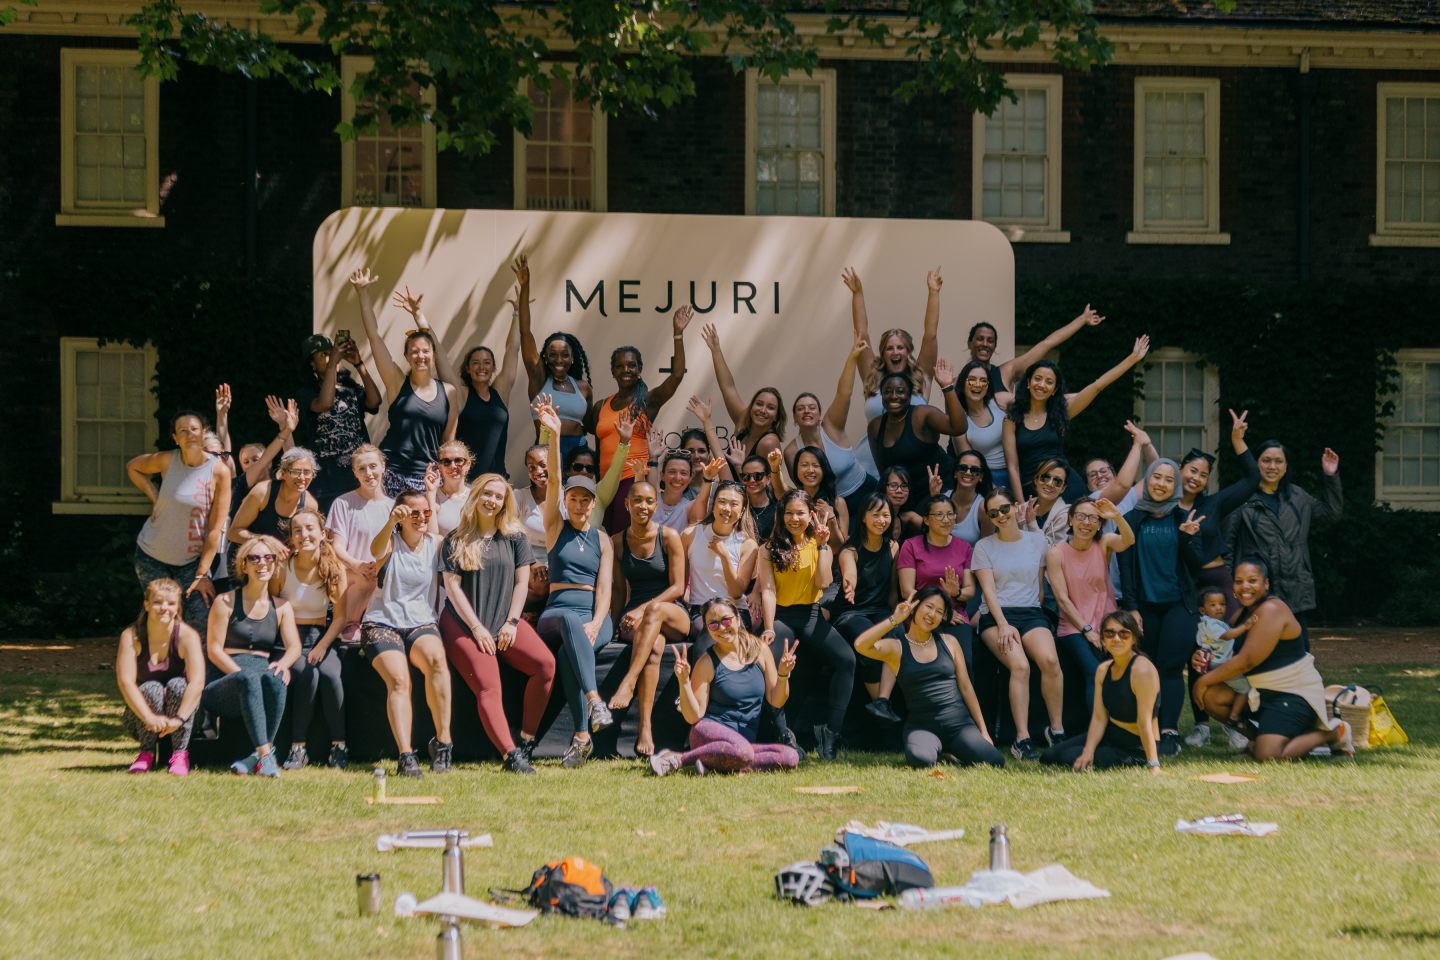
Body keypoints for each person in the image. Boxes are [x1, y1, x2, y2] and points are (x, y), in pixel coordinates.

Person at [439, 474, 556, 775]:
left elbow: (522, 583)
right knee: (490, 687)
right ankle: (510, 755)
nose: (492, 500)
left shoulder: (515, 537)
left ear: (505, 503)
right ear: (475, 496)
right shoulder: (456, 538)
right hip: (463, 624)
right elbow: (452, 587)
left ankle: (526, 740)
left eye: (498, 496)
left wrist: (512, 622)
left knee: (545, 665)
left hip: (505, 620)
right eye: (487, 494)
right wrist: (476, 628)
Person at [1192, 559, 1354, 761]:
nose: (1245, 586)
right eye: (1239, 581)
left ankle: (1333, 733)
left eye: (1252, 580)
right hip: (1259, 692)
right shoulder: (1240, 615)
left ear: (1266, 584)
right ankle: (1255, 743)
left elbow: (1247, 661)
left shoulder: (1272, 609)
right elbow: (1225, 652)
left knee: (1269, 755)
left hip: (1292, 693)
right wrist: (1202, 657)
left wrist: (1203, 680)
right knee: (1211, 697)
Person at [534, 398, 616, 768]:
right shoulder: (556, 527)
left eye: (586, 499)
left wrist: (598, 622)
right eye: (574, 499)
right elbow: (553, 479)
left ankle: (582, 738)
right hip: (557, 612)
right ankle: (596, 701)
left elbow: (605, 588)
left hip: (594, 614)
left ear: (594, 503)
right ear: (565, 501)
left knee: (572, 652)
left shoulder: (602, 538)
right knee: (569, 624)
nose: (580, 505)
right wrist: (552, 435)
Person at [1177, 409, 1260, 748]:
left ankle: (1231, 721)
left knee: (1226, 649)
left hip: (1218, 583)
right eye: (1192, 470)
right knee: (1195, 654)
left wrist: (1238, 441)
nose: (1196, 478)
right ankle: (1201, 725)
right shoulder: (1162, 506)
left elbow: (1252, 480)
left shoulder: (1213, 504)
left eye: (1203, 474)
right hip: (1186, 586)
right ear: (1180, 470)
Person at [1116, 459, 1208, 756]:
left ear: (1175, 485)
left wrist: (1187, 539)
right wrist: (1131, 607)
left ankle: (1169, 731)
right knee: (1148, 667)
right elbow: (1125, 568)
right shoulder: (1131, 519)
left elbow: (1196, 567)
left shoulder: (1184, 517)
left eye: (1169, 480)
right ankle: (1148, 728)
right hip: (1144, 606)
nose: (1161, 484)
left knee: (1170, 668)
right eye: (1156, 477)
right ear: (1147, 480)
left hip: (1178, 605)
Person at [853, 588, 1004, 768]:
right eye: (929, 607)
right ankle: (940, 752)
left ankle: (952, 749)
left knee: (994, 761)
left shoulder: (949, 642)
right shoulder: (897, 648)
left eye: (939, 611)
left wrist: (983, 731)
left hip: (959, 725)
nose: (932, 614)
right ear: (915, 607)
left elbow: (966, 688)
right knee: (921, 760)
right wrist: (895, 619)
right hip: (923, 727)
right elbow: (861, 645)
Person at [649, 600, 800, 776]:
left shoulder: (761, 651)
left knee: (790, 757)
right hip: (707, 732)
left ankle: (718, 764)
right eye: (713, 624)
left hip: (743, 743)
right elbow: (693, 716)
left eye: (726, 620)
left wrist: (783, 675)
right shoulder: (706, 662)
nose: (721, 627)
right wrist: (684, 681)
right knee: (743, 752)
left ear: (737, 619)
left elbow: (776, 700)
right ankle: (677, 759)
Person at [756, 489, 854, 761]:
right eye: (788, 513)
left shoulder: (820, 544)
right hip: (781, 616)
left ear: (811, 515)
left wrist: (822, 546)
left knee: (847, 660)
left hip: (811, 614)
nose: (794, 518)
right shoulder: (768, 548)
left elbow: (824, 582)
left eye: (800, 513)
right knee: (773, 671)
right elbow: (768, 590)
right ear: (781, 515)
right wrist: (768, 627)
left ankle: (831, 733)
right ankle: (784, 735)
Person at [362, 489, 453, 777]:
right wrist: (390, 522)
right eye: (414, 513)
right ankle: (406, 755)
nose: (421, 518)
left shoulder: (436, 544)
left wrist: (432, 495)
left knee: (436, 660)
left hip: (420, 621)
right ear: (400, 516)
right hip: (382, 622)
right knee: (400, 680)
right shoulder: (390, 542)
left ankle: (443, 743)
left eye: (426, 512)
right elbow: (375, 550)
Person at [349, 269, 459, 495]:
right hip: (392, 473)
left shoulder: (449, 392)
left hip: (427, 479)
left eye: (425, 351)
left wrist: (445, 481)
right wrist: (363, 294)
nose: (420, 356)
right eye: (414, 351)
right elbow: (374, 337)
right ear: (407, 356)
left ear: (433, 354)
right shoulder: (397, 382)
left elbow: (448, 444)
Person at [1002, 335, 1150, 501]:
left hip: (1067, 487)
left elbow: (1097, 386)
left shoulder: (1060, 413)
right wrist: (1021, 504)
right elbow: (1013, 467)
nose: (1042, 385)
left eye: (1049, 382)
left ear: (1054, 389)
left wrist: (1132, 359)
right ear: (1028, 383)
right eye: (1038, 379)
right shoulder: (1012, 419)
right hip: (1031, 491)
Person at [971, 489, 1062, 760]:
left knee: (1050, 661)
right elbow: (988, 591)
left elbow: (1040, 586)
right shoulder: (984, 547)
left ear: (1015, 507)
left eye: (1004, 509)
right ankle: (1021, 738)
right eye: (993, 513)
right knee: (1020, 666)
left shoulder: (1038, 542)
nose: (1000, 516)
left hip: (1031, 612)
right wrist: (1002, 624)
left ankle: (1056, 729)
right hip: (996, 615)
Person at [587, 304, 693, 533]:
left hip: (632, 480)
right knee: (606, 538)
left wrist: (678, 334)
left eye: (631, 365)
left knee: (625, 538)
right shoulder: (600, 406)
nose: (626, 370)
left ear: (639, 369)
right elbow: (599, 449)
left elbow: (676, 376)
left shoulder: (647, 401)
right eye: (620, 366)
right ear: (613, 371)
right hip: (605, 485)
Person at [605, 481, 692, 756]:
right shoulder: (617, 542)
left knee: (654, 611)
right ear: (626, 504)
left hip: (671, 611)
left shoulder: (669, 536)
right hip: (636, 616)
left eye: (649, 501)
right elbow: (619, 591)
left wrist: (643, 609)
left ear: (656, 505)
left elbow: (678, 587)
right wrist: (615, 625)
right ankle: (645, 727)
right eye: (638, 500)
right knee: (654, 647)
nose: (643, 506)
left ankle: (629, 681)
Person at [128, 410, 235, 632]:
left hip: (191, 563)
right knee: (160, 619)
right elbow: (133, 467)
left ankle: (193, 658)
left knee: (200, 622)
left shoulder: (219, 472)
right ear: (175, 438)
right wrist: (155, 497)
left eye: (194, 429)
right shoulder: (167, 460)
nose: (189, 434)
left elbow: (215, 529)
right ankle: (151, 654)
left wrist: (202, 574)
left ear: (204, 433)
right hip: (152, 556)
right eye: (182, 431)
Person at [203, 536, 301, 777]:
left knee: (277, 677)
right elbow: (214, 650)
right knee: (249, 678)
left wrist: (284, 664)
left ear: (275, 564)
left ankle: (257, 757)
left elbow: (294, 647)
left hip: (260, 678)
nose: (262, 563)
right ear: (243, 565)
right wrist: (242, 677)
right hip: (224, 682)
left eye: (268, 558)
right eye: (254, 558)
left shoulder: (282, 606)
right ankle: (266, 757)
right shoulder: (224, 601)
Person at [1225, 441, 1341, 622]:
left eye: (1279, 461)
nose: (1272, 466)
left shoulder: (1298, 496)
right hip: (1255, 592)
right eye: (1266, 460)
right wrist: (1228, 589)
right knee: (1257, 639)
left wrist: (1330, 476)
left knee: (1297, 640)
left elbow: (1331, 514)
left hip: (1295, 590)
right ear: (1255, 464)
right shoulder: (1242, 499)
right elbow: (1227, 547)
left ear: (1286, 467)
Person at [1040, 610, 1162, 773]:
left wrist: (1153, 764)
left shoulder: (1142, 670)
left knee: (1068, 757)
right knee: (1049, 755)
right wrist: (1088, 750)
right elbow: (1099, 717)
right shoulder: (1103, 670)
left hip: (1135, 746)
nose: (1116, 639)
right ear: (1103, 639)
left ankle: (1137, 760)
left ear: (1134, 638)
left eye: (1124, 634)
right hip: (1110, 734)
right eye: (1110, 633)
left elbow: (1144, 721)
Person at [1045, 497, 1134, 711]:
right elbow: (1062, 599)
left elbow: (1128, 540)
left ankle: (1121, 724)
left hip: (1107, 622)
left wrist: (1116, 516)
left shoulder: (1103, 544)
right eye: (1081, 516)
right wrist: (1087, 630)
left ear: (1100, 524)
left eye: (1093, 518)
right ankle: (1096, 727)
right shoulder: (1056, 553)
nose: (1086, 523)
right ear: (1070, 520)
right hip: (1074, 626)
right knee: (1095, 672)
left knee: (1123, 671)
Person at [277, 510, 348, 770]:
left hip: (321, 636)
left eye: (309, 528)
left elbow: (340, 617)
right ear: (291, 537)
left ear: (322, 533)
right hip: (288, 638)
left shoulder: (335, 568)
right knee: (309, 676)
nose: (304, 535)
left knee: (331, 676)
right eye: (297, 530)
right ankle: (298, 748)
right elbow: (273, 608)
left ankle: (339, 746)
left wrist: (321, 647)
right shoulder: (282, 567)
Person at [443, 256, 526, 479]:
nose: (482, 367)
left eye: (487, 362)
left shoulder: (500, 392)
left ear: (493, 368)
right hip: (467, 481)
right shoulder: (462, 394)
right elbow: (442, 364)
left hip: (497, 478)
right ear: (468, 369)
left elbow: (512, 349)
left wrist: (517, 313)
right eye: (476, 363)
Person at [116, 578, 205, 776]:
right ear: (147, 604)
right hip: (141, 719)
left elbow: (197, 682)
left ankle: (180, 754)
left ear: (178, 607)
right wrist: (148, 717)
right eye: (157, 602)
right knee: (150, 688)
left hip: (185, 718)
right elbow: (126, 682)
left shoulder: (187, 636)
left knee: (178, 684)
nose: (164, 608)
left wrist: (179, 719)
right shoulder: (131, 636)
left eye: (171, 603)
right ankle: (146, 753)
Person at [785, 339, 876, 516]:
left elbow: (844, 393)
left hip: (866, 492)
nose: (806, 411)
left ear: (820, 414)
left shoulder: (832, 426)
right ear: (795, 419)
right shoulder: (791, 452)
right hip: (832, 506)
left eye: (812, 408)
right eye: (800, 409)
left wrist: (853, 358)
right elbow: (803, 488)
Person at [295, 331, 381, 510]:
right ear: (312, 363)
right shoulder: (306, 393)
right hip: (328, 482)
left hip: (359, 476)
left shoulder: (349, 386)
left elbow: (374, 402)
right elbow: (325, 403)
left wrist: (359, 363)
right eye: (324, 354)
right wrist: (333, 363)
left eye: (332, 352)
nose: (331, 356)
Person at [833, 494, 900, 719]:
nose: (882, 520)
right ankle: (880, 707)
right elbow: (849, 572)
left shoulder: (893, 546)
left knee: (897, 634)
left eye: (886, 515)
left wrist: (897, 613)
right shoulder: (850, 550)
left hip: (880, 610)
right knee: (869, 642)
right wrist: (849, 584)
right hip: (851, 612)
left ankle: (883, 701)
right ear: (863, 517)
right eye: (876, 515)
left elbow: (892, 588)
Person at [843, 267, 941, 420]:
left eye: (900, 347)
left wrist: (933, 293)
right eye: (889, 348)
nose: (895, 352)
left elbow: (930, 336)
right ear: (883, 353)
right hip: (874, 437)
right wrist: (857, 293)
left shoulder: (921, 377)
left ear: (908, 352)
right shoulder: (872, 375)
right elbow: (862, 334)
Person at [867, 363, 966, 511]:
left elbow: (958, 427)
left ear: (909, 395)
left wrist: (947, 387)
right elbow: (885, 473)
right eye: (888, 391)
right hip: (907, 498)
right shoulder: (875, 427)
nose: (894, 396)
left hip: (942, 487)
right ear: (882, 395)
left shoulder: (922, 415)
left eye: (900, 391)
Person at [519, 263, 592, 457]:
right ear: (546, 357)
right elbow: (525, 332)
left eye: (565, 354)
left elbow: (592, 425)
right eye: (553, 354)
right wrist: (525, 287)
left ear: (572, 358)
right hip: (547, 449)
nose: (559, 359)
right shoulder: (539, 380)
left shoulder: (583, 388)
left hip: (579, 451)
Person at [325, 444, 395, 642]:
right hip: (352, 575)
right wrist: (357, 565)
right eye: (362, 468)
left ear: (383, 466)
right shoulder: (343, 503)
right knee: (365, 578)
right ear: (355, 472)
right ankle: (351, 623)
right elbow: (337, 547)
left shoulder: (393, 507)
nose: (368, 473)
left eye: (373, 466)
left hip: (381, 575)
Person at [897, 496, 976, 660]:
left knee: (963, 663)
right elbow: (906, 591)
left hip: (955, 616)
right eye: (939, 515)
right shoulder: (911, 545)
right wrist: (940, 611)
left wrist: (956, 593)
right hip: (921, 613)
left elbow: (970, 590)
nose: (946, 520)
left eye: (950, 514)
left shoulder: (965, 547)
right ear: (926, 520)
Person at [683, 480, 760, 642]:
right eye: (722, 502)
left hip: (735, 610)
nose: (726, 508)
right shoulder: (691, 534)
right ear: (713, 505)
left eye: (734, 504)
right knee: (712, 636)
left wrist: (724, 556)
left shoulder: (748, 544)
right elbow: (680, 580)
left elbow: (736, 592)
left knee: (728, 637)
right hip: (701, 610)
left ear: (742, 510)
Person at [966, 304, 1106, 393]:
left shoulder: (1006, 372)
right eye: (980, 339)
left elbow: (1047, 344)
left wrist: (1082, 319)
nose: (985, 344)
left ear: (995, 346)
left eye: (990, 341)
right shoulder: (957, 382)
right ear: (969, 343)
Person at [701, 321, 786, 462]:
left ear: (777, 416)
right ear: (751, 407)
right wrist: (715, 349)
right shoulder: (743, 423)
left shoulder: (769, 443)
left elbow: (771, 478)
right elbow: (728, 387)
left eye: (770, 407)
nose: (763, 410)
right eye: (759, 404)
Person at [1187, 586, 1256, 744]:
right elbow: (1227, 635)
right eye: (1213, 605)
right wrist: (1246, 626)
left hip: (1217, 662)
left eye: (1222, 604)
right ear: (1203, 610)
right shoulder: (1211, 625)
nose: (1219, 608)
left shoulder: (1213, 623)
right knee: (1244, 688)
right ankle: (1234, 717)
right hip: (1220, 664)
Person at [229, 447, 321, 555]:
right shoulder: (262, 492)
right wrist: (264, 540)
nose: (302, 477)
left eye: (307, 472)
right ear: (283, 473)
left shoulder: (310, 505)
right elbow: (233, 533)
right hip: (247, 557)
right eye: (295, 472)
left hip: (280, 561)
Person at [770, 446, 849, 548]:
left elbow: (839, 548)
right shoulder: (793, 498)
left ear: (824, 469)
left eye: (816, 465)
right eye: (804, 465)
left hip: (826, 556)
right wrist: (775, 468)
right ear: (796, 469)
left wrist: (831, 519)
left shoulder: (838, 503)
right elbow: (779, 488)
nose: (810, 470)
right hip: (794, 555)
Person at [952, 360, 1013, 479]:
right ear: (962, 383)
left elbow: (1032, 401)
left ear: (988, 385)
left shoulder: (998, 400)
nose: (977, 384)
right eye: (972, 379)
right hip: (988, 476)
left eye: (983, 380)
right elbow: (969, 465)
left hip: (1018, 468)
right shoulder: (960, 420)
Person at [946, 449, 993, 546]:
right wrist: (934, 497)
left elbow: (986, 549)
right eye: (963, 468)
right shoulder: (943, 498)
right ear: (955, 473)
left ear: (981, 477)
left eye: (975, 470)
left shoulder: (983, 508)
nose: (968, 472)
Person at [429, 440, 473, 536]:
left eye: (458, 461)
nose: (453, 466)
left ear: (468, 464)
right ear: (439, 466)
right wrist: (430, 493)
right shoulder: (432, 496)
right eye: (446, 462)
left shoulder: (476, 496)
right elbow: (430, 539)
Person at [880, 466, 922, 541]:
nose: (899, 490)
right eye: (893, 486)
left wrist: (935, 496)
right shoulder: (876, 518)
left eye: (904, 486)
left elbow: (936, 529)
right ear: (884, 488)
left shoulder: (907, 516)